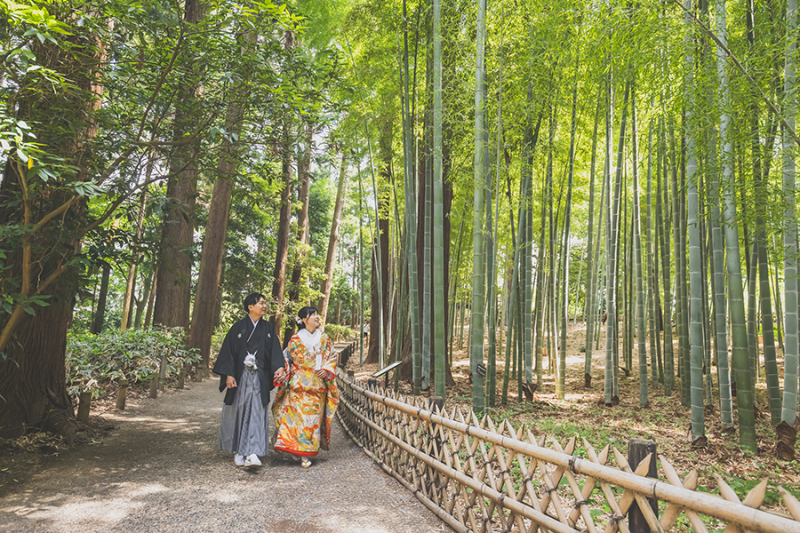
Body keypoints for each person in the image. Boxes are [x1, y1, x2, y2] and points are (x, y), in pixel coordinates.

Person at [213, 293, 287, 467]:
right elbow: (228, 352)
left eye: (264, 303)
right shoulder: (238, 327)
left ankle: (253, 452)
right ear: (250, 307)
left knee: (257, 411)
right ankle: (239, 450)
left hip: (259, 376)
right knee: (239, 410)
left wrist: (279, 367)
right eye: (261, 303)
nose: (264, 306)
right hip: (240, 375)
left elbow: (275, 351)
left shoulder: (268, 329)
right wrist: (229, 374)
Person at [272, 306, 339, 468]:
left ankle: (305, 451)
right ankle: (299, 451)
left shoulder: (324, 338)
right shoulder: (295, 339)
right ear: (304, 320)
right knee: (298, 420)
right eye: (313, 315)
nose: (317, 317)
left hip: (318, 387)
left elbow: (333, 356)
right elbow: (286, 360)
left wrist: (327, 369)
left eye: (317, 315)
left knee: (312, 422)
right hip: (298, 387)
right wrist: (283, 372)